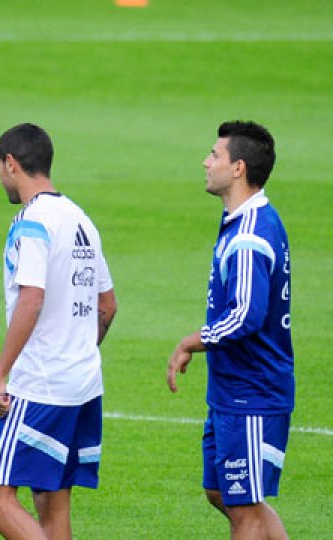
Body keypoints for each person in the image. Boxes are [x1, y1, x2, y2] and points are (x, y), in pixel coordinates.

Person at [0, 123, 117, 540]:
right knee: (51, 500)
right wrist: (76, 352)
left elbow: (31, 298)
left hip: (39, 384)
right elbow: (107, 305)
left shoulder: (32, 223)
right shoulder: (81, 220)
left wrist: (1, 376)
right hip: (83, 383)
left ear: (12, 164)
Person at [167, 121, 293, 540]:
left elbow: (246, 316)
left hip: (253, 394)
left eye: (215, 155)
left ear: (238, 168)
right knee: (221, 492)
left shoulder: (250, 235)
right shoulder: (244, 221)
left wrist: (190, 341)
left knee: (244, 511)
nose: (206, 161)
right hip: (232, 392)